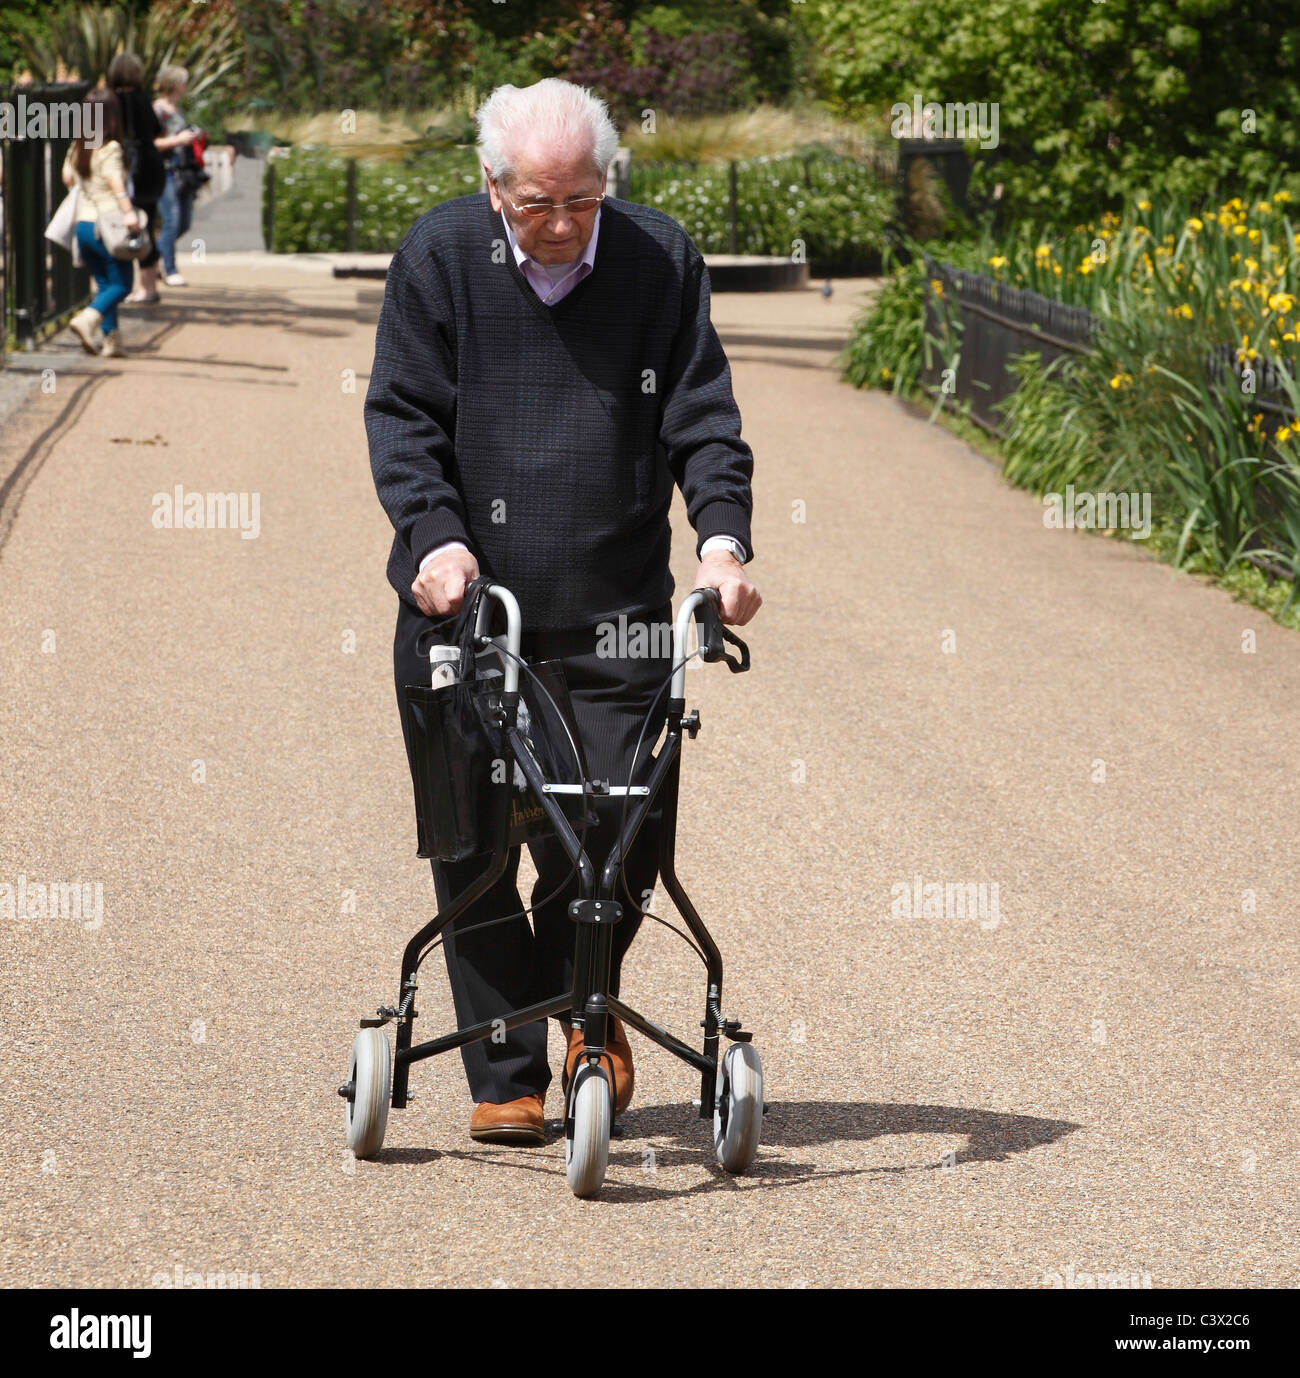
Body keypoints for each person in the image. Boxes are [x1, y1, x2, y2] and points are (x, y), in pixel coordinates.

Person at [365, 78, 761, 1146]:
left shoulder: (660, 259)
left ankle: (588, 1013)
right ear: (489, 185)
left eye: (579, 201)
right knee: (479, 835)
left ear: (607, 184)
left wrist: (721, 545)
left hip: (616, 609)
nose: (555, 225)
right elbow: (402, 419)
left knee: (619, 829)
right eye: (533, 202)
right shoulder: (439, 256)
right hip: (472, 609)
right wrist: (434, 540)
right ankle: (509, 1063)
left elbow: (704, 422)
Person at [62, 87, 143, 359]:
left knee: (106, 284)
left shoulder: (78, 145)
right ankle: (87, 320)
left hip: (83, 226)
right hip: (107, 226)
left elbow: (67, 178)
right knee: (123, 285)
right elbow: (114, 181)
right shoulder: (110, 148)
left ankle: (112, 341)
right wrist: (129, 211)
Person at [107, 52, 175, 305]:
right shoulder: (143, 99)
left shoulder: (113, 101)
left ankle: (137, 287)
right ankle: (148, 286)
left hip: (130, 168)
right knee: (146, 223)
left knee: (127, 225)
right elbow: (159, 132)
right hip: (151, 167)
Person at [153, 65, 200, 286]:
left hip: (184, 171)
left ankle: (153, 256)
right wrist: (178, 141)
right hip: (165, 171)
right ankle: (169, 269)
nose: (186, 87)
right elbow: (150, 143)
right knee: (171, 220)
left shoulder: (178, 110)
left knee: (184, 222)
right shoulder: (157, 110)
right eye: (183, 82)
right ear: (175, 84)